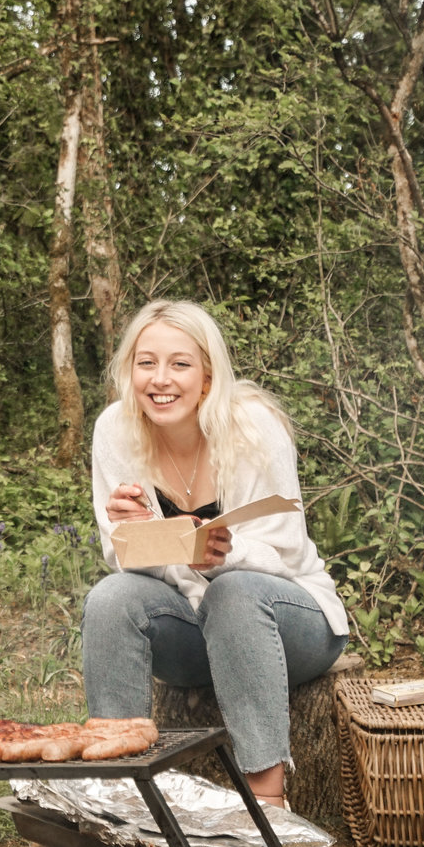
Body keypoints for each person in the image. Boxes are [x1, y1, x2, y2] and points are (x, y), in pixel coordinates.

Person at [83, 300, 348, 807]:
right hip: (194, 632)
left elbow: (288, 550)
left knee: (234, 590)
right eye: (146, 363)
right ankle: (117, 797)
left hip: (292, 622)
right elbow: (123, 561)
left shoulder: (253, 427)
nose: (161, 379)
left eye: (180, 364)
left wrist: (222, 553)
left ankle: (268, 802)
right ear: (129, 371)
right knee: (112, 596)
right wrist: (137, 534)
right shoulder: (115, 429)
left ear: (207, 376)